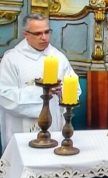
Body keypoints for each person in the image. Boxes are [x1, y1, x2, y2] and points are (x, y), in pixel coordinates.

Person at [0, 14, 81, 151]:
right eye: (38, 33)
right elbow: (4, 96)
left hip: (54, 127)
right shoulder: (12, 59)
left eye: (46, 32)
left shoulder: (58, 57)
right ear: (26, 34)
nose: (44, 37)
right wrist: (43, 92)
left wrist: (63, 92)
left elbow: (75, 89)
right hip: (21, 129)